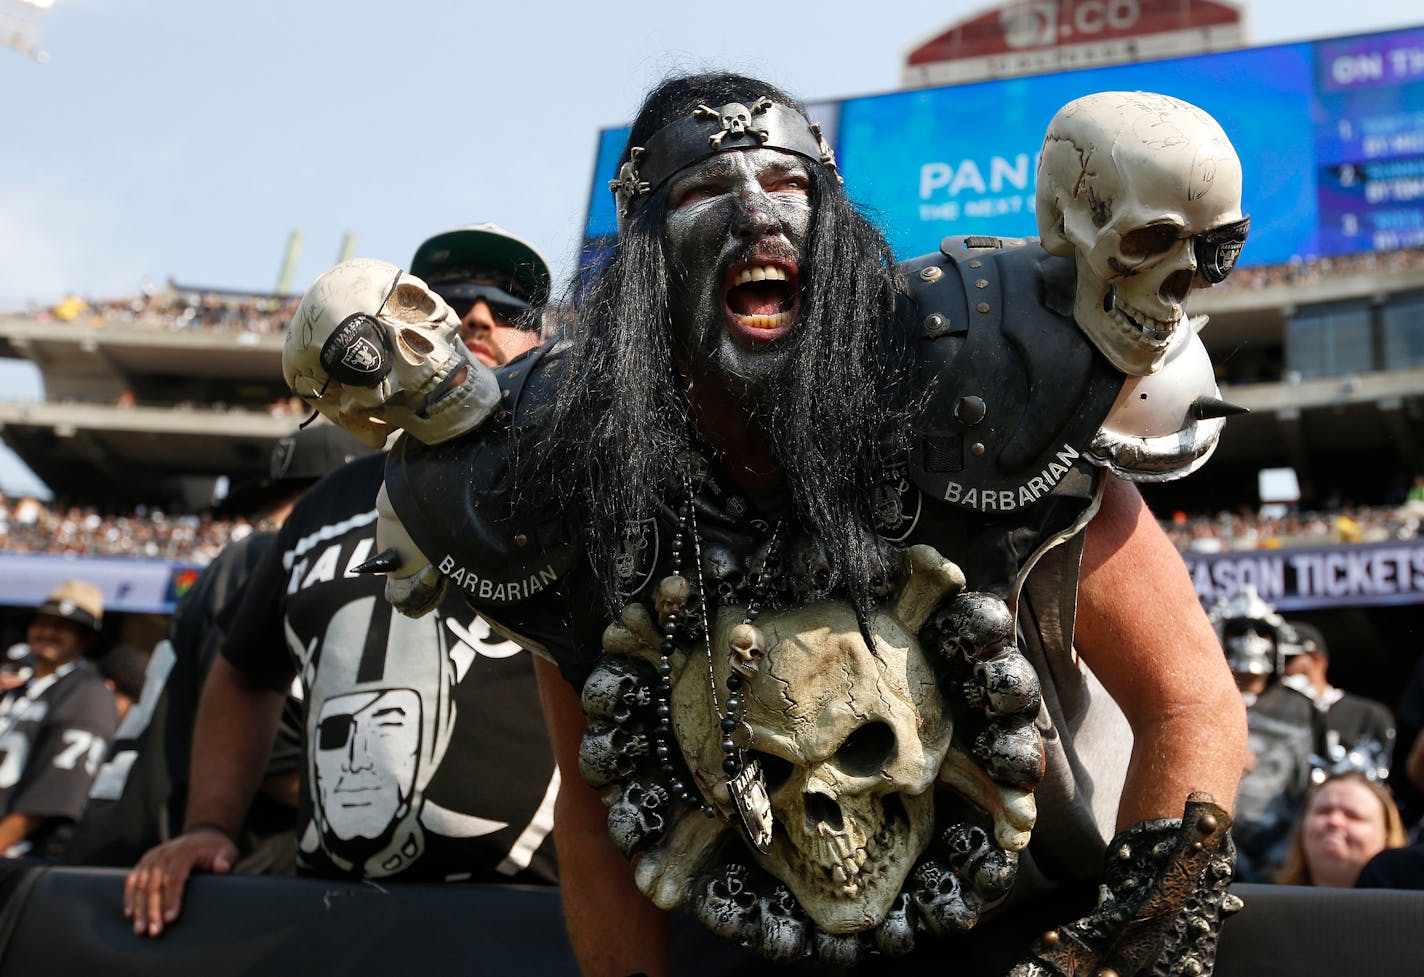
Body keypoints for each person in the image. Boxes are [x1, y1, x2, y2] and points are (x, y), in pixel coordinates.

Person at [284, 77, 1248, 976]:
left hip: (1041, 933)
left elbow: (1189, 702)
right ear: (645, 265)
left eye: (789, 181)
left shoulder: (979, 385)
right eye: (705, 190)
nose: (758, 212)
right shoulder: (567, 474)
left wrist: (1133, 947)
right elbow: (597, 815)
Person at [124, 225, 560, 938]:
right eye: (454, 299)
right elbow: (244, 670)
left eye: (510, 310)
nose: (478, 316)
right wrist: (208, 823)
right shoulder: (328, 501)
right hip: (326, 917)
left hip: (529, 921)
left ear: (539, 341)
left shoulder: (573, 477)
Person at [67, 422, 372, 869]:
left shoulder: (246, 554)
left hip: (134, 838)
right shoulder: (272, 557)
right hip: (178, 862)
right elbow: (268, 757)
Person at [0, 581, 118, 858]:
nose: (48, 632)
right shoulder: (15, 683)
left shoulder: (88, 694)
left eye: (63, 627)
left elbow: (52, 795)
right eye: (42, 622)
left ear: (86, 639)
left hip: (17, 860)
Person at [1280, 620, 1395, 777]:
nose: (1280, 669)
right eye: (1274, 661)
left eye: (1287, 660)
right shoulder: (1270, 715)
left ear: (1317, 660)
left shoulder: (1368, 715)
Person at [1275, 771, 1407, 887]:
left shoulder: (1410, 911)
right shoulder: (1265, 907)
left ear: (1387, 834)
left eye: (1353, 815)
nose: (1334, 821)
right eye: (1323, 811)